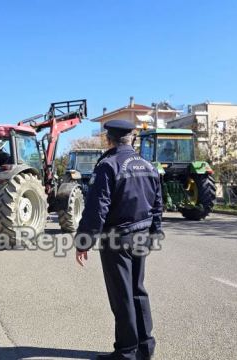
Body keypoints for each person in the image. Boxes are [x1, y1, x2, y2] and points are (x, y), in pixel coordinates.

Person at [75, 119, 163, 360]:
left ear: (109, 139)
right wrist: (155, 231)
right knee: (138, 290)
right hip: (141, 235)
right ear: (132, 138)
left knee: (122, 295)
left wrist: (84, 241)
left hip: (117, 239)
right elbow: (157, 204)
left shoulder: (108, 165)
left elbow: (97, 207)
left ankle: (126, 352)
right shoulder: (148, 165)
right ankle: (145, 347)